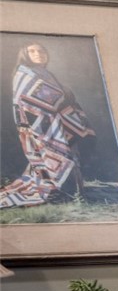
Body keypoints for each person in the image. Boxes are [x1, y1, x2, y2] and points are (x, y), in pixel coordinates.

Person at [0, 42, 95, 209]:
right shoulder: (23, 73)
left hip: (55, 123)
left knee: (69, 154)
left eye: (41, 50)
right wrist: (63, 94)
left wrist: (65, 97)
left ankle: (71, 191)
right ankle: (60, 190)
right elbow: (35, 99)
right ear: (24, 54)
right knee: (50, 158)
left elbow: (59, 95)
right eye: (32, 51)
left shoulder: (46, 73)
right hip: (37, 126)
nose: (38, 54)